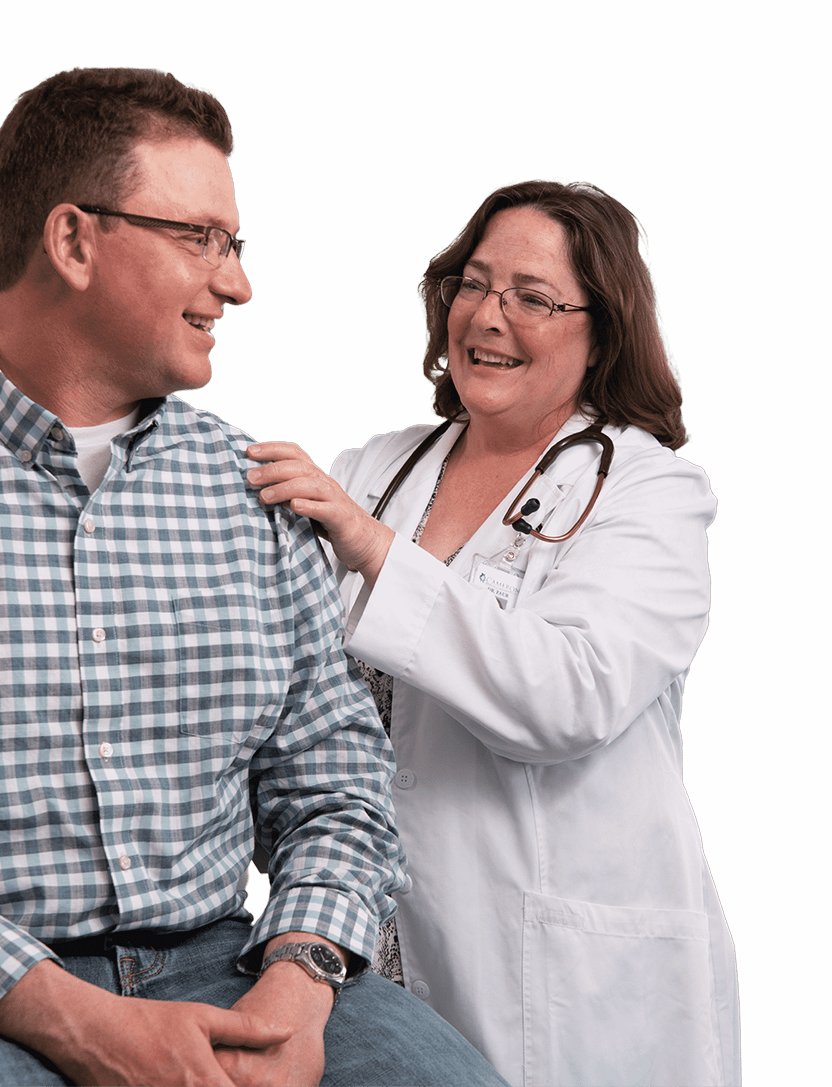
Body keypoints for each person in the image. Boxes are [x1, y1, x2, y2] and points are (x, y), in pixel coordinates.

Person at [0, 67, 508, 1087]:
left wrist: (299, 979)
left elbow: (335, 782)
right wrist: (68, 1015)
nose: (237, 283)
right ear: (74, 240)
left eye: (238, 244)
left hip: (236, 962)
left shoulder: (249, 486)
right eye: (202, 239)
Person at [247, 178, 741, 1086]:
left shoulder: (650, 492)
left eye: (534, 298)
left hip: (561, 970)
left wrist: (374, 550)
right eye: (472, 285)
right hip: (367, 929)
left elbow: (571, 695)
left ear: (603, 328)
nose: (488, 316)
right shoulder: (375, 466)